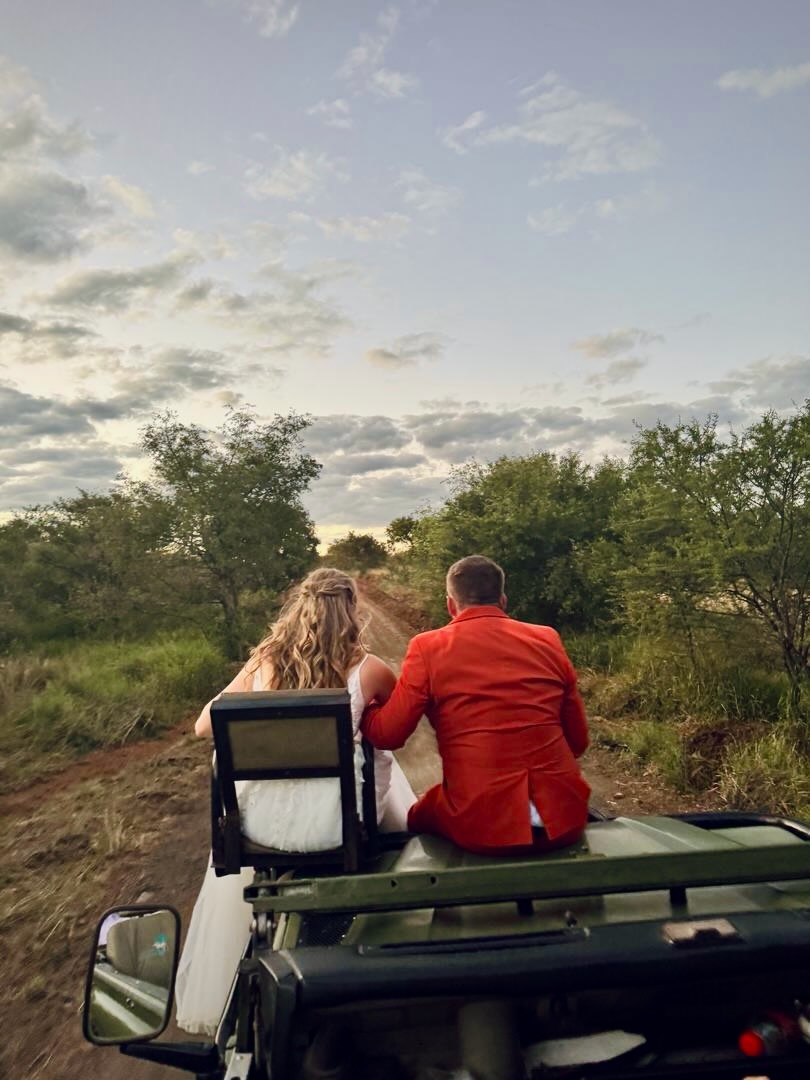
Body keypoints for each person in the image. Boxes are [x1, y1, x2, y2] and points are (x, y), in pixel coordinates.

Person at [175, 567, 416, 1036]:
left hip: (259, 825)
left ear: (298, 607)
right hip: (336, 825)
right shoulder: (368, 669)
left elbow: (205, 726)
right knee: (378, 759)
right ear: (351, 610)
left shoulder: (264, 659)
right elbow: (395, 731)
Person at [362, 555, 590, 856]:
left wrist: (362, 707)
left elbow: (387, 735)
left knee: (418, 816)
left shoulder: (427, 646)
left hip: (482, 825)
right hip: (563, 819)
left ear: (450, 605)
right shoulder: (547, 638)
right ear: (503, 599)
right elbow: (577, 741)